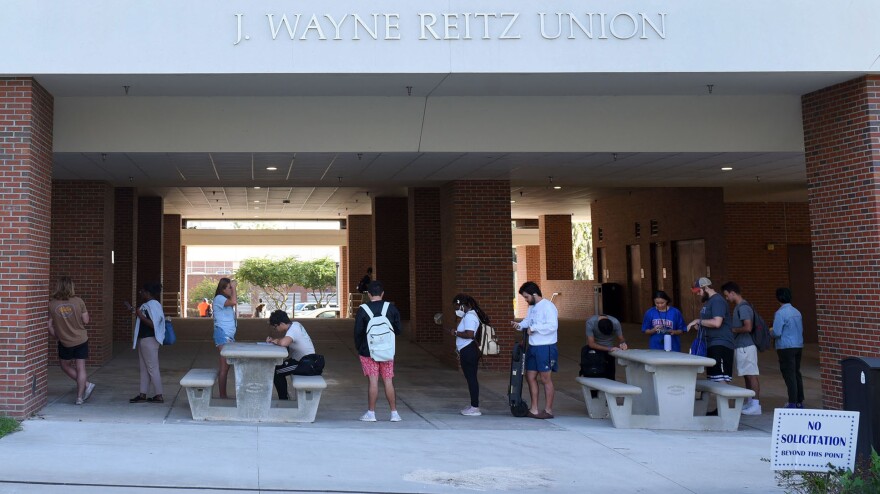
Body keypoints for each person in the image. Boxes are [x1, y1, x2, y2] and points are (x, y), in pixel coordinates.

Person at [354, 280, 401, 422]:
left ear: (368, 294)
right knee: (388, 381)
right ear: (382, 293)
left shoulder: (363, 309)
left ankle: (371, 413)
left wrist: (360, 348)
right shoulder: (391, 308)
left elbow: (358, 332)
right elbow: (398, 330)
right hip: (387, 352)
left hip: (368, 352)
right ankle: (394, 414)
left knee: (373, 381)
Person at [510, 281, 558, 420]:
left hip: (546, 346)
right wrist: (519, 325)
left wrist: (534, 329)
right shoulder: (532, 307)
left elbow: (553, 326)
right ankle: (534, 409)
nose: (525, 300)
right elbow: (527, 321)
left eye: (526, 297)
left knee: (545, 379)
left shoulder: (548, 306)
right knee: (530, 376)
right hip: (533, 346)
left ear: (534, 294)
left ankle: (548, 410)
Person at [47, 276, 96, 405]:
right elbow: (86, 321)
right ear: (71, 287)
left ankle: (87, 384)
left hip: (64, 341)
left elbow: (49, 326)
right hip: (81, 339)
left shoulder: (52, 303)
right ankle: (79, 398)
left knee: (65, 365)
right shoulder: (79, 301)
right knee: (81, 368)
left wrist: (56, 336)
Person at [721, 281, 763, 415]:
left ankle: (756, 404)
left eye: (727, 295)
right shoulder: (740, 306)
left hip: (746, 346)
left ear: (733, 293)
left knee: (751, 375)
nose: (727, 298)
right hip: (741, 346)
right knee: (746, 375)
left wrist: (733, 330)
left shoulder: (743, 307)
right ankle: (750, 402)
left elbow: (748, 327)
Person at [266, 310, 322, 400]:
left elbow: (284, 343)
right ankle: (284, 397)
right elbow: (287, 341)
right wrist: (275, 340)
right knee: (277, 369)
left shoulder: (293, 329)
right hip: (305, 360)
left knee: (276, 372)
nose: (275, 330)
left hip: (305, 363)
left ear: (281, 323)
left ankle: (283, 399)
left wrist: (276, 341)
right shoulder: (295, 325)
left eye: (275, 327)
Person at [687, 277, 735, 384]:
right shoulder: (709, 301)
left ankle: (725, 400)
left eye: (698, 291)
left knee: (720, 379)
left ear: (705, 288)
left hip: (721, 344)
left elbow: (717, 322)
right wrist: (701, 325)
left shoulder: (717, 301)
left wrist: (698, 321)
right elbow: (708, 322)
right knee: (714, 378)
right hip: (711, 343)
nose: (698, 294)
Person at [451, 293, 489, 417]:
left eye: (457, 307)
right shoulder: (469, 315)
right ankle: (473, 405)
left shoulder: (470, 317)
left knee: (471, 378)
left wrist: (456, 332)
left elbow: (470, 334)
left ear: (462, 305)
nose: (456, 309)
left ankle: (475, 407)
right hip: (467, 350)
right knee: (470, 378)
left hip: (469, 350)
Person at [129, 282, 166, 404]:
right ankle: (142, 394)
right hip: (145, 340)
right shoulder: (151, 305)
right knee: (144, 368)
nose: (140, 293)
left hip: (149, 340)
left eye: (142, 291)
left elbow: (154, 324)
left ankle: (159, 395)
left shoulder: (152, 305)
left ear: (148, 293)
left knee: (152, 368)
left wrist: (140, 316)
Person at [771, 287, 804, 409]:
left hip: (785, 347)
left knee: (789, 375)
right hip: (798, 345)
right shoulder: (797, 312)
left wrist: (770, 332)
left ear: (778, 298)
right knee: (796, 373)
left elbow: (777, 332)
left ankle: (792, 402)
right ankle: (799, 401)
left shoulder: (780, 313)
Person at [586, 314, 628, 396]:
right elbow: (591, 344)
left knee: (610, 375)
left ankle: (609, 398)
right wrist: (609, 348)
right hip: (595, 350)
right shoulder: (590, 323)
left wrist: (623, 343)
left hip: (610, 351)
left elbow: (621, 338)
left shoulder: (615, 322)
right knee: (595, 374)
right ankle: (595, 397)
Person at [213, 277, 238, 399]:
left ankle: (223, 394)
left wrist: (233, 289)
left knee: (226, 367)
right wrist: (235, 288)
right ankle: (222, 395)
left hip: (229, 336)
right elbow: (234, 302)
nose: (231, 290)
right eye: (229, 288)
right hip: (222, 334)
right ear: (223, 289)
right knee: (224, 367)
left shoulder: (225, 299)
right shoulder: (219, 298)